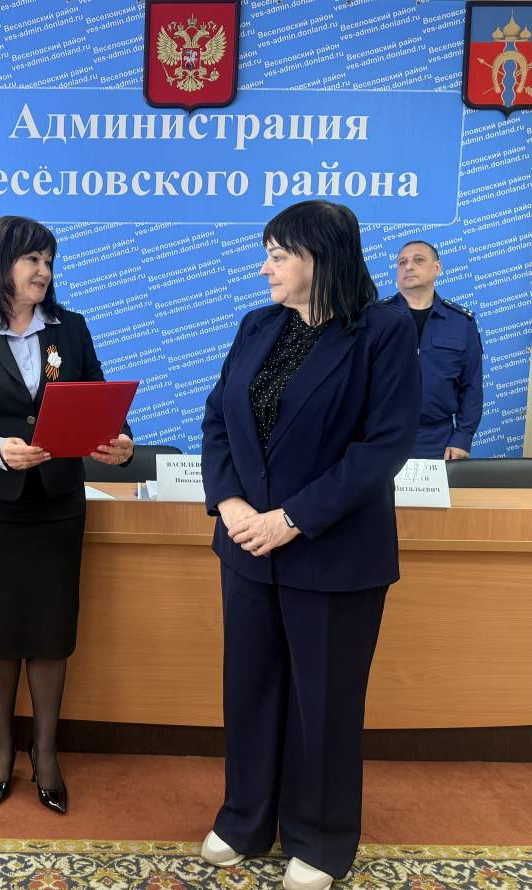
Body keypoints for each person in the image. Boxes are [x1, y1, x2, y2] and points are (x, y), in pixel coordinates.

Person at [200, 201, 420, 890]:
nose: (265, 268)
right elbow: (217, 420)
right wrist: (232, 504)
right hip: (247, 548)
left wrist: (290, 519)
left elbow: (383, 446)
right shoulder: (257, 325)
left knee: (324, 703)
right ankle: (245, 819)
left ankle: (320, 840)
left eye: (278, 255)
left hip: (332, 552)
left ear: (319, 258)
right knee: (250, 689)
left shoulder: (382, 330)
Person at [0, 215, 133, 815]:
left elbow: (100, 403)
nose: (43, 271)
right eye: (32, 260)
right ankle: (1, 748)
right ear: (1, 264)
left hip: (58, 503)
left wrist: (120, 441)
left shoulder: (71, 328)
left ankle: (45, 753)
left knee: (50, 628)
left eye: (48, 260)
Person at [382, 240, 483, 459]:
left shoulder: (461, 323)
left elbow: (471, 386)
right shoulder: (375, 318)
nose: (408, 266)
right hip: (379, 437)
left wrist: (463, 437)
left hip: (438, 441)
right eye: (402, 262)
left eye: (418, 260)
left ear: (437, 268)